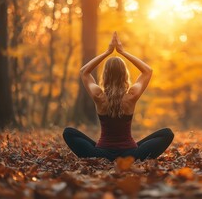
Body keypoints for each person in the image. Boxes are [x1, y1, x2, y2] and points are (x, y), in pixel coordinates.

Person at [63, 32, 174, 161]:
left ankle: (99, 156)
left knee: (68, 132)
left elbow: (84, 72)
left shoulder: (99, 96)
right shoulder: (131, 96)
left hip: (101, 154)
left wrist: (107, 52)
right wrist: (123, 52)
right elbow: (147, 71)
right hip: (131, 154)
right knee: (167, 133)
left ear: (105, 75)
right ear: (124, 74)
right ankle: (132, 154)